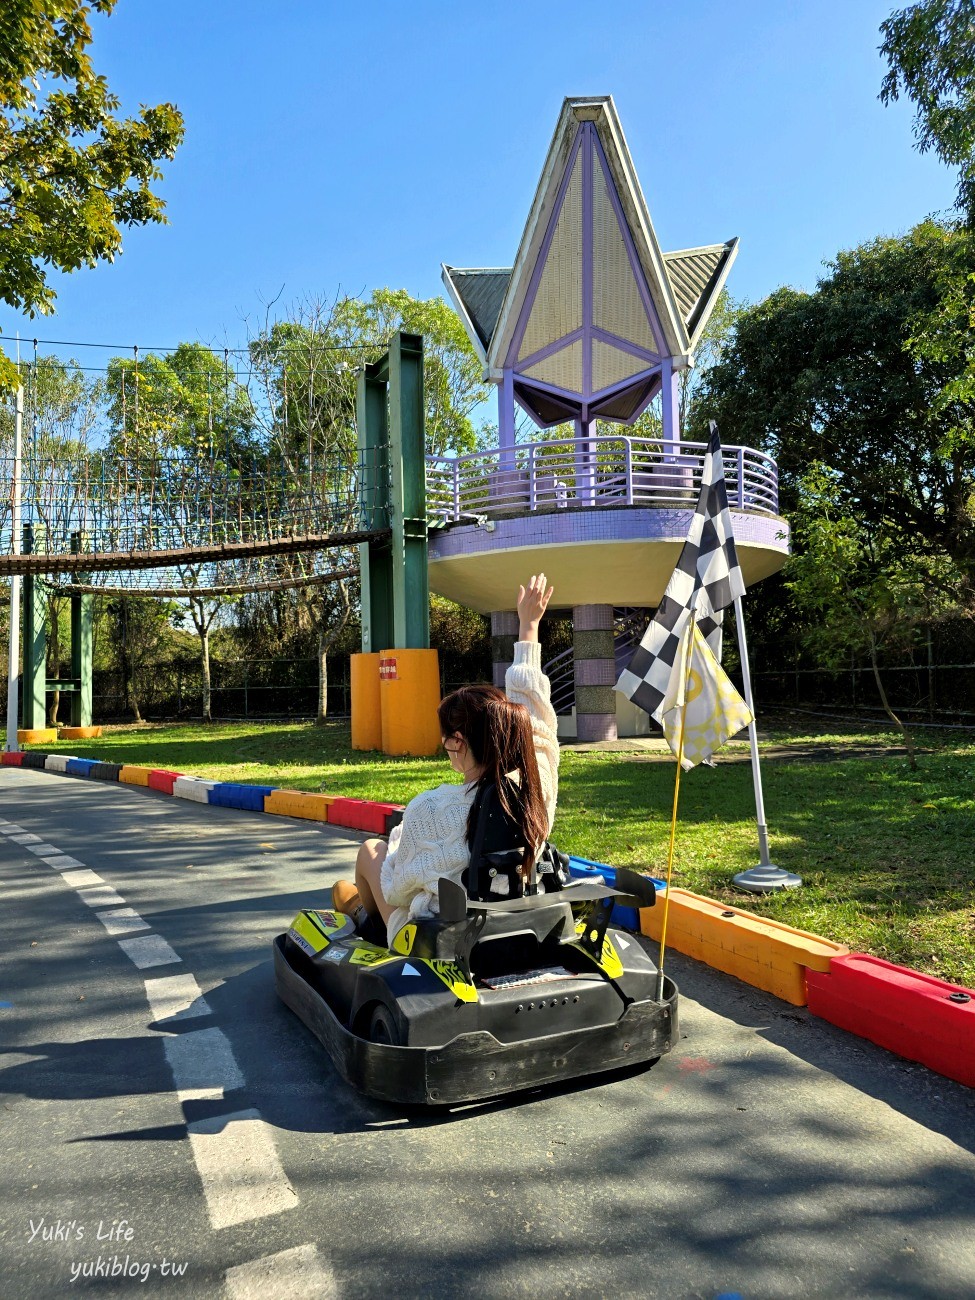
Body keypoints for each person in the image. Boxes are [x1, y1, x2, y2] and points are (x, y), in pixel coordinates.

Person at [331, 574, 559, 945]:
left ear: (457, 741)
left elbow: (398, 890)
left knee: (371, 852)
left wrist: (398, 844)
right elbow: (533, 714)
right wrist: (528, 626)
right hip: (512, 914)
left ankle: (362, 917)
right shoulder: (536, 787)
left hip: (448, 938)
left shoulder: (433, 809)